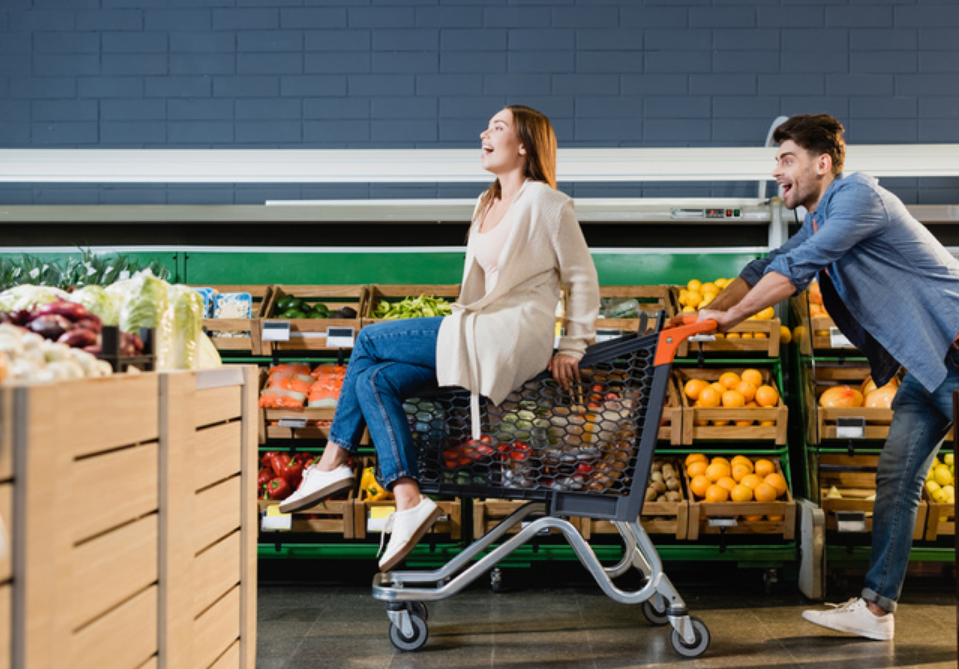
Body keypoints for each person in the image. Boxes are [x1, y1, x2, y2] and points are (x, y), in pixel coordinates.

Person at [279, 105, 600, 572]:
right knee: (375, 381)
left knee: (368, 339)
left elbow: (582, 277)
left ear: (525, 144)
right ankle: (409, 502)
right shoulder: (485, 202)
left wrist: (572, 344)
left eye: (497, 127)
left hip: (510, 335)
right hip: (476, 331)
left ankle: (330, 464)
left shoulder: (547, 203)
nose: (483, 133)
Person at [695, 113, 959, 641]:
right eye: (776, 160)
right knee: (897, 480)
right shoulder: (817, 219)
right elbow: (766, 264)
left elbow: (799, 269)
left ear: (823, 163)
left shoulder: (859, 198)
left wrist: (731, 318)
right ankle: (877, 608)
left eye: (786, 159)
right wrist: (705, 315)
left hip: (953, 353)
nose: (777, 171)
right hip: (925, 369)